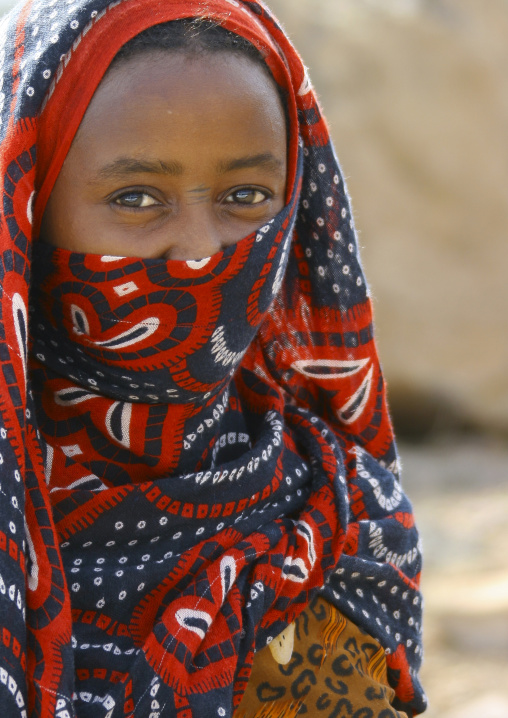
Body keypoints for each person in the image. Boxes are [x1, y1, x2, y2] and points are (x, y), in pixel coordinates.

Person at [0, 1, 426, 716]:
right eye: (136, 198)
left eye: (245, 196)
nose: (200, 249)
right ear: (30, 208)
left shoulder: (339, 520)